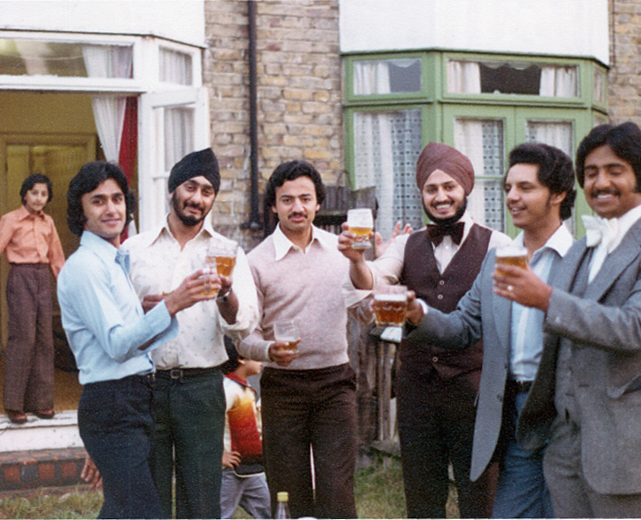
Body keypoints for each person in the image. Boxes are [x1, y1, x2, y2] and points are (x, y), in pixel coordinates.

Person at [489, 122, 641, 517]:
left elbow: (636, 327)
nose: (600, 182)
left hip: (632, 454)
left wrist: (547, 299)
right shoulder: (582, 249)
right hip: (566, 450)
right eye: (590, 173)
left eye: (614, 170)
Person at [401, 142, 576, 518]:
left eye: (525, 188)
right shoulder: (498, 259)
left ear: (558, 194)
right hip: (513, 413)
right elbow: (462, 327)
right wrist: (418, 314)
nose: (512, 197)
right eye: (508, 188)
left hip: (565, 414)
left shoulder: (582, 262)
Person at [339, 142, 511, 518]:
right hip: (417, 392)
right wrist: (356, 260)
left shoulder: (498, 244)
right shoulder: (405, 244)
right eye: (431, 189)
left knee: (481, 497)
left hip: (475, 393)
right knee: (421, 499)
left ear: (466, 189)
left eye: (449, 187)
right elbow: (372, 282)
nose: (441, 197)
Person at [57, 161, 219, 518]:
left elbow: (128, 340)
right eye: (98, 201)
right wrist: (175, 302)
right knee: (142, 512)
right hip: (112, 403)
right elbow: (117, 346)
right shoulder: (86, 266)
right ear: (81, 212)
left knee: (125, 509)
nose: (112, 208)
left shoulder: (115, 261)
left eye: (117, 198)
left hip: (133, 399)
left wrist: (156, 313)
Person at [122, 148, 259, 519]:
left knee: (200, 500)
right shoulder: (134, 250)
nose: (197, 198)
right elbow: (116, 327)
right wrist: (146, 313)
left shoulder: (227, 251)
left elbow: (244, 323)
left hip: (201, 389)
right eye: (190, 187)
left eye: (207, 191)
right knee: (146, 499)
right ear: (172, 190)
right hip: (146, 387)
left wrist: (226, 293)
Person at [237, 160, 359, 519]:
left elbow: (366, 307)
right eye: (287, 200)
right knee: (288, 490)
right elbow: (245, 337)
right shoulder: (255, 262)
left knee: (337, 489)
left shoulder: (342, 251)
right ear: (273, 206)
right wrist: (268, 351)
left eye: (305, 198)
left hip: (335, 382)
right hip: (282, 387)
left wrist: (369, 263)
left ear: (318, 203)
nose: (297, 208)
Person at [0, 173, 65, 424]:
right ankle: (15, 404)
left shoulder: (49, 223)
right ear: (25, 194)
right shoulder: (10, 220)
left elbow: (57, 261)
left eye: (44, 194)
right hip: (21, 278)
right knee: (24, 338)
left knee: (45, 339)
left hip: (42, 278)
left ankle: (42, 402)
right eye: (34, 192)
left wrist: (69, 290)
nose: (38, 198)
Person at [219, 338, 270, 519]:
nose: (261, 360)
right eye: (256, 356)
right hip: (230, 472)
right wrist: (220, 455)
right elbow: (208, 424)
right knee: (221, 515)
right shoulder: (227, 389)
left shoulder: (245, 389)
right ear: (241, 358)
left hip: (251, 470)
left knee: (270, 511)